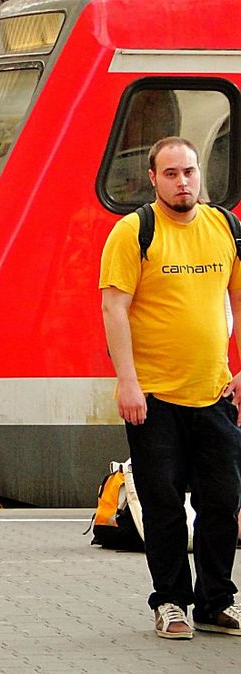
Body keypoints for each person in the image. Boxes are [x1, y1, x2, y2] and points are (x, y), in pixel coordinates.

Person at [100, 136, 241, 640]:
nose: (184, 182)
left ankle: (216, 602)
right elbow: (114, 307)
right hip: (154, 397)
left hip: (215, 393)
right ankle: (171, 602)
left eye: (190, 172)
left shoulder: (225, 227)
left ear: (200, 175)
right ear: (154, 180)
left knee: (222, 502)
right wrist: (127, 382)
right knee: (162, 506)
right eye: (172, 174)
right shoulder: (133, 232)